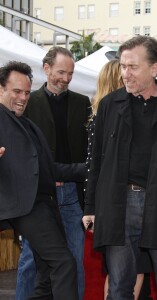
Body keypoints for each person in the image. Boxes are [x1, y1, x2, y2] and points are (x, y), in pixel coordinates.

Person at [83, 35, 157, 299]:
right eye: (123, 66)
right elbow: (96, 163)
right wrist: (91, 207)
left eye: (133, 67)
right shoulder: (110, 105)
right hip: (118, 204)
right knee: (119, 285)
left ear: (155, 69)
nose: (125, 73)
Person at [0, 61, 80, 299]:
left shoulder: (27, 124)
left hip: (45, 204)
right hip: (27, 207)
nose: (23, 97)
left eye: (26, 92)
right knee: (64, 263)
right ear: (1, 89)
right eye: (16, 91)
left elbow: (49, 169)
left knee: (46, 275)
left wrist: (90, 169)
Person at [17, 46, 91, 300]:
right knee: (30, 260)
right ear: (46, 69)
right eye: (61, 72)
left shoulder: (83, 104)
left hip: (72, 194)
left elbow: (88, 151)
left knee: (74, 260)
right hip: (38, 195)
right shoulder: (28, 103)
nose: (66, 78)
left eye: (70, 73)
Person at [86, 59, 150, 300]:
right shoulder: (109, 116)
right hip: (119, 202)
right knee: (128, 270)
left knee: (118, 271)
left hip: (109, 202)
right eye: (124, 73)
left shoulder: (97, 115)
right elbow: (96, 165)